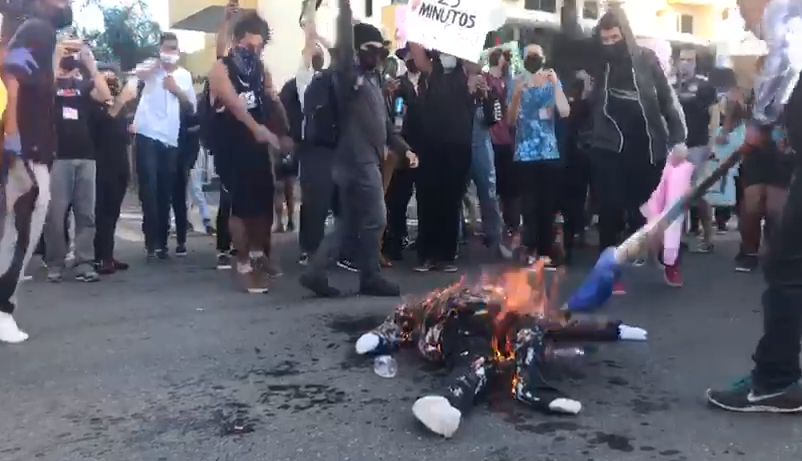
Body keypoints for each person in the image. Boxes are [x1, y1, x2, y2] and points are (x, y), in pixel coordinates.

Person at [706, 0, 802, 412]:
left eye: (742, 10)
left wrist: (760, 123)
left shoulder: (785, 8)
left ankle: (776, 380)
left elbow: (783, 65)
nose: (746, 21)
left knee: (784, 263)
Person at [556, 4, 687, 294]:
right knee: (610, 208)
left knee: (658, 211)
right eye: (605, 39)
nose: (610, 44)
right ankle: (610, 271)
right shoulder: (598, 61)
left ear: (625, 34)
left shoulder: (646, 60)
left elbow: (667, 101)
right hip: (608, 146)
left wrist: (678, 138)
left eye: (615, 38)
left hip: (648, 147)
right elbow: (571, 37)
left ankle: (671, 260)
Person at [300, 0, 417, 298]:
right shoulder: (347, 75)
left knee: (349, 221)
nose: (378, 55)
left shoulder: (374, 80)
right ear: (359, 50)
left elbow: (386, 126)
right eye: (372, 49)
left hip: (365, 160)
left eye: (381, 50)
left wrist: (404, 149)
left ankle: (316, 272)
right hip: (356, 162)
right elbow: (344, 45)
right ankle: (370, 276)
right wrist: (345, 9)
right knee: (376, 217)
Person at [0, 0, 73, 343]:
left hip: (31, 148)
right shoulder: (38, 30)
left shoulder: (37, 32)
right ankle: (2, 310)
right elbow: (11, 78)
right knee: (21, 234)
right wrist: (14, 145)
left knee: (16, 232)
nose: (68, 3)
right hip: (27, 150)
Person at [208, 11, 289, 293]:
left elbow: (271, 99)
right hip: (231, 144)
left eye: (259, 47)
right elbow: (234, 105)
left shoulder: (260, 69)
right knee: (240, 207)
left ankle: (257, 254)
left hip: (258, 145)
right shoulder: (221, 69)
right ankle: (242, 263)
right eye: (249, 46)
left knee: (264, 203)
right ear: (236, 41)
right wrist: (257, 129)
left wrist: (283, 129)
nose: (254, 51)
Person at [44, 47, 113, 283]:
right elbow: (45, 91)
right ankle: (55, 262)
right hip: (58, 157)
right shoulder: (51, 82)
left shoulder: (82, 85)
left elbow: (104, 95)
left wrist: (91, 65)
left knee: (86, 214)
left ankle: (84, 262)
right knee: (56, 214)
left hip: (86, 156)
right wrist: (55, 57)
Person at [409, 47, 479, 273]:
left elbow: (475, 66)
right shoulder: (431, 69)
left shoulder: (466, 71)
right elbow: (418, 57)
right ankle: (427, 254)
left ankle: (446, 255)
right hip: (431, 143)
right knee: (428, 197)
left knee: (451, 199)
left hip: (458, 143)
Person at [132, 32, 197, 261]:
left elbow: (191, 107)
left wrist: (176, 90)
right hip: (147, 133)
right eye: (167, 48)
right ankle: (152, 241)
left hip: (170, 138)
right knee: (148, 187)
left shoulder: (184, 76)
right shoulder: (151, 67)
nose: (171, 53)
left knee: (165, 189)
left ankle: (161, 242)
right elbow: (137, 74)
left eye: (174, 49)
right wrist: (157, 66)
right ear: (160, 49)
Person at [507, 45, 571, 268]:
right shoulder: (516, 82)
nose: (533, 60)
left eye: (536, 56)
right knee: (529, 205)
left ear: (543, 58)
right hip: (525, 153)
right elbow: (510, 120)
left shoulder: (552, 80)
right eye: (529, 57)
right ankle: (530, 248)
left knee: (547, 204)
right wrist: (517, 94)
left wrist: (555, 85)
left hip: (548, 150)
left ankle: (546, 251)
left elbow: (564, 111)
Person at [92, 64, 135, 275]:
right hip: (102, 164)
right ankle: (100, 257)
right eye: (106, 79)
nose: (111, 83)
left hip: (120, 164)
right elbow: (103, 124)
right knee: (103, 212)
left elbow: (124, 137)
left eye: (114, 79)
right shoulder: (93, 105)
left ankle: (108, 254)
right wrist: (119, 102)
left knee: (113, 212)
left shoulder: (120, 107)